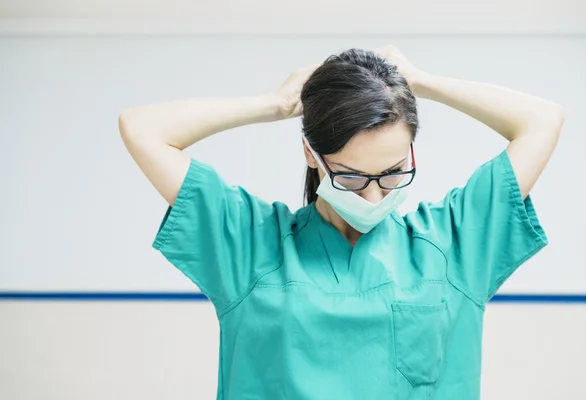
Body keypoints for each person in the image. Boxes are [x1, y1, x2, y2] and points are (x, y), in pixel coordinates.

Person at [119, 45, 563, 399]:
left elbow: (543, 120)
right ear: (312, 156)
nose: (373, 194)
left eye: (392, 173)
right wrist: (274, 105)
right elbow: (142, 128)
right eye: (350, 176)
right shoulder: (250, 245)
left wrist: (421, 83)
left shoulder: (452, 243)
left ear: (411, 154)